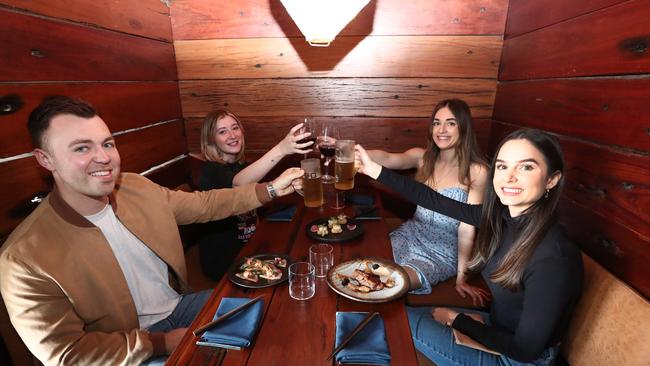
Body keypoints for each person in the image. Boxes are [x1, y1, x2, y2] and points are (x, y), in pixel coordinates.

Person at [0, 96, 303, 366]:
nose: (104, 157)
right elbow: (67, 354)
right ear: (45, 159)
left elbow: (205, 204)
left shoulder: (135, 187)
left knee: (275, 311)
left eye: (107, 144)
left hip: (180, 306)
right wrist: (164, 342)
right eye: (82, 148)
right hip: (128, 346)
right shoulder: (23, 258)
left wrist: (272, 190)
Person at [355, 129, 583, 365]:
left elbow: (525, 350)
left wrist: (459, 320)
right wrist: (374, 170)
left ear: (552, 179)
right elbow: (434, 200)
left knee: (391, 318)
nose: (509, 177)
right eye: (503, 166)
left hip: (518, 360)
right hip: (496, 328)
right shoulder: (501, 216)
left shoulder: (554, 256)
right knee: (389, 310)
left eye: (526, 167)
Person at [366, 99, 489, 304]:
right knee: (366, 268)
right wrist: (346, 150)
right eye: (436, 123)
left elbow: (467, 229)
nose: (441, 129)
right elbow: (386, 158)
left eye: (451, 123)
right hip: (409, 234)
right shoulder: (422, 157)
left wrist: (461, 277)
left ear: (464, 127)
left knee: (392, 283)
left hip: (440, 251)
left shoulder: (476, 171)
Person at [196, 110, 312, 281]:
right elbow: (239, 185)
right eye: (222, 131)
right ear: (211, 139)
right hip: (226, 261)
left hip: (250, 248)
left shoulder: (240, 165)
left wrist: (287, 183)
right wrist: (281, 149)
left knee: (301, 255)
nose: (232, 135)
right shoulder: (211, 170)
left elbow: (257, 198)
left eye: (235, 128)